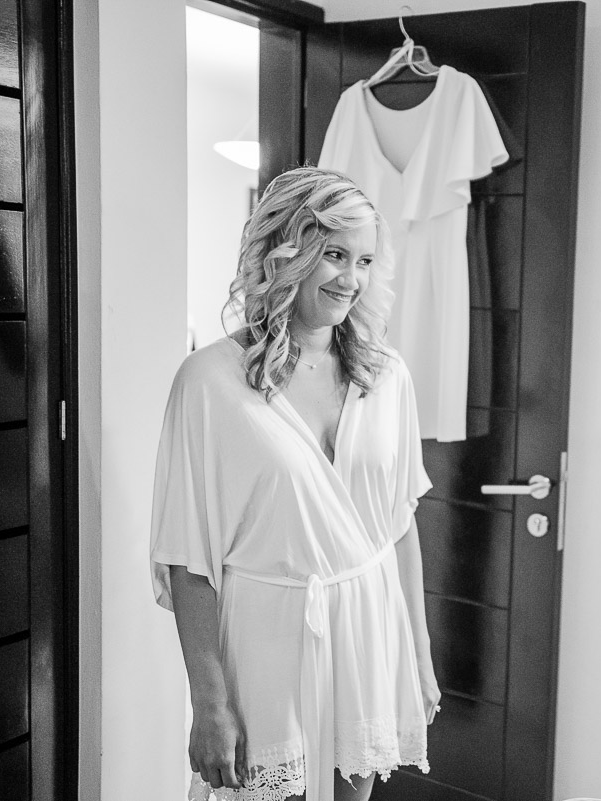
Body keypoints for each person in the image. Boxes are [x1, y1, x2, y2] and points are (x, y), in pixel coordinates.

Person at [150, 167, 439, 801]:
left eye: (364, 260)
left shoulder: (387, 376)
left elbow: (398, 526)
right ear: (285, 250)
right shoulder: (209, 382)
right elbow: (187, 561)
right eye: (334, 254)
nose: (351, 278)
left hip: (366, 634)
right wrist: (210, 703)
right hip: (265, 645)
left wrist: (417, 654)